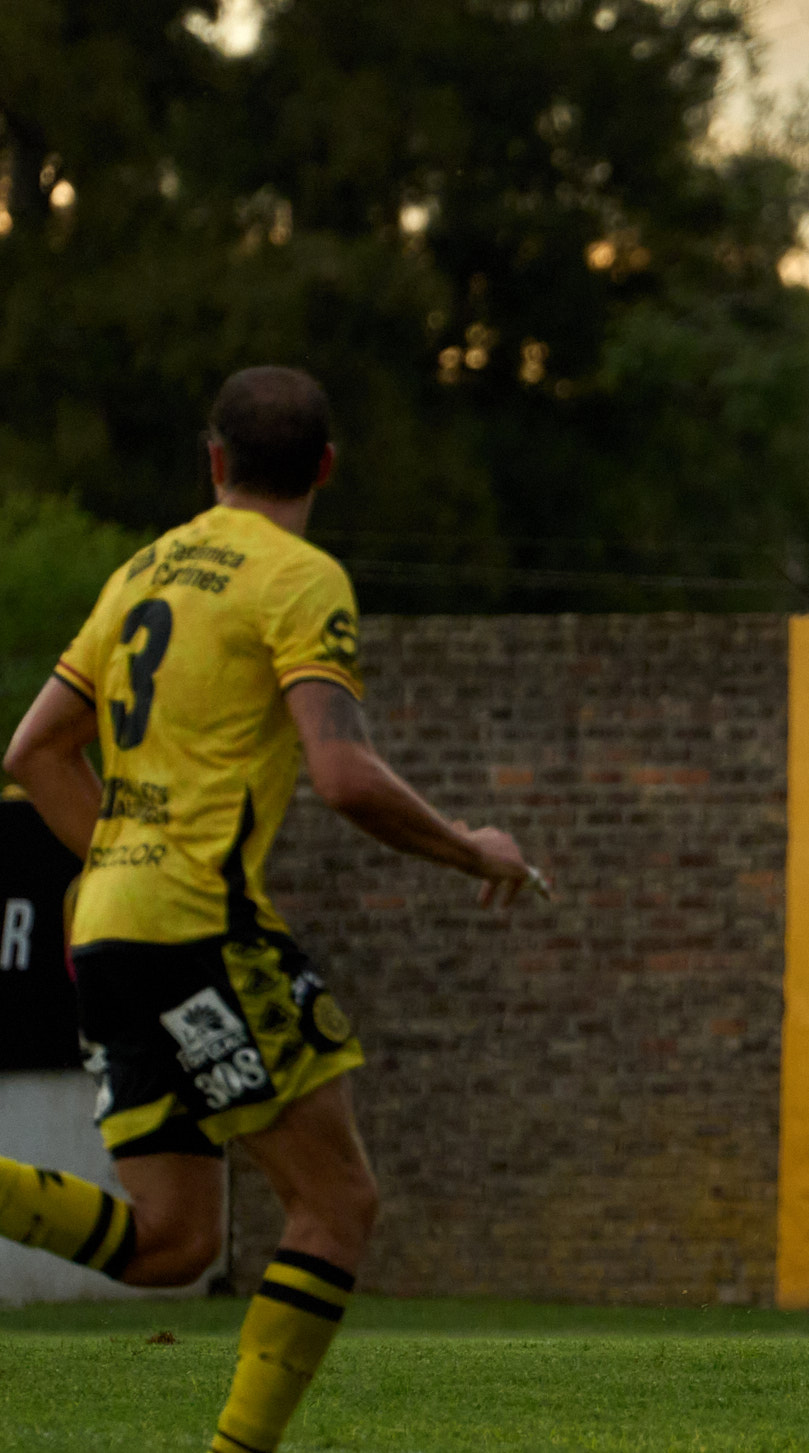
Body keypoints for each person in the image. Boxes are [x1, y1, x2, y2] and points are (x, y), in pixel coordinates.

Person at [0, 366, 541, 1453]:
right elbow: (342, 774)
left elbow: (32, 753)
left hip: (103, 925)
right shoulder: (299, 579)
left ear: (214, 460)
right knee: (337, 1206)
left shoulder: (140, 570)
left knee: (172, 1244)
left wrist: (120, 862)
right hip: (201, 921)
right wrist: (470, 846)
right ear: (326, 467)